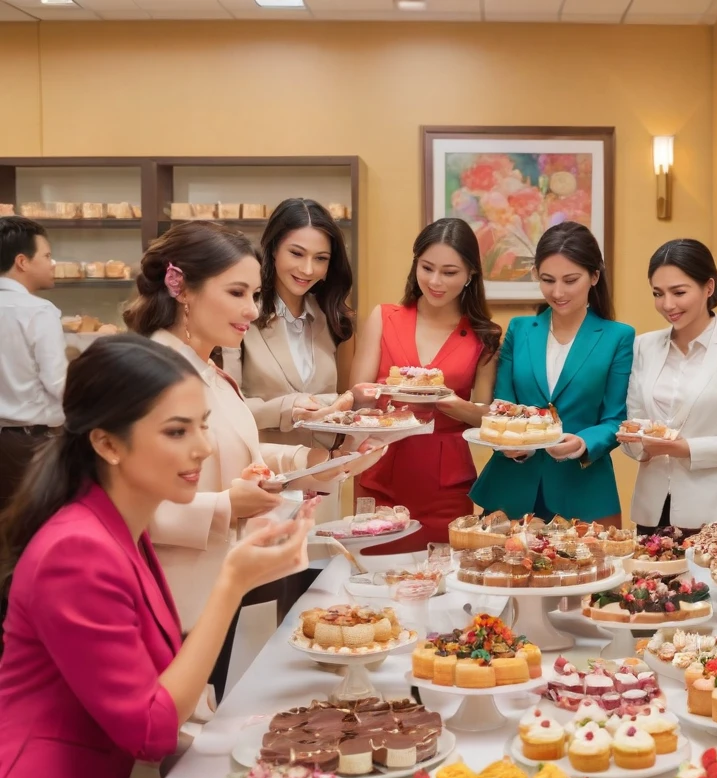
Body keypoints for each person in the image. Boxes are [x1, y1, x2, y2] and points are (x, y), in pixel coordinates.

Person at [0, 335, 315, 778]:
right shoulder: (77, 549)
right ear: (108, 444)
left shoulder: (118, 528)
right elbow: (151, 729)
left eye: (201, 424)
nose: (201, 447)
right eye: (177, 431)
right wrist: (231, 583)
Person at [123, 221, 381, 698]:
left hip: (218, 588)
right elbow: (131, 508)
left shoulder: (210, 371)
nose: (252, 310)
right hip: (172, 596)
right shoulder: (151, 373)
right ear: (183, 289)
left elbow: (246, 451)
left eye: (256, 294)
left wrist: (322, 460)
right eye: (237, 292)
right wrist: (226, 506)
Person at [349, 218, 502, 550]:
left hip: (445, 484)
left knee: (441, 580)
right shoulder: (384, 316)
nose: (435, 282)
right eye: (427, 267)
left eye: (449, 273)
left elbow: (486, 415)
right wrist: (379, 400)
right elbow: (357, 398)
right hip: (379, 468)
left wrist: (452, 403)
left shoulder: (485, 336)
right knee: (371, 579)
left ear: (471, 274)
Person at [471, 221, 634, 524]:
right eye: (547, 280)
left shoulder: (618, 337)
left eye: (570, 280)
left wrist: (584, 443)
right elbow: (503, 406)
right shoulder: (519, 330)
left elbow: (617, 418)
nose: (557, 292)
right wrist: (515, 446)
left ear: (594, 276)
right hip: (510, 491)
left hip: (584, 491)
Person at [620, 238, 717, 535]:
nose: (667, 305)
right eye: (658, 294)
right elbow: (633, 425)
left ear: (708, 288)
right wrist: (638, 447)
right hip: (652, 511)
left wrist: (682, 448)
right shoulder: (643, 346)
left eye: (679, 292)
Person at [220, 198, 356, 461]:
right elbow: (228, 407)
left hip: (324, 473)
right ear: (273, 250)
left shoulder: (335, 319)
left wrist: (353, 398)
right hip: (262, 473)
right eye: (296, 253)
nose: (307, 269)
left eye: (320, 258)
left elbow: (338, 402)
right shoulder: (243, 315)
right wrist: (289, 408)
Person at [0, 216, 67, 512]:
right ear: (22, 262)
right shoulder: (38, 311)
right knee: (30, 535)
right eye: (47, 256)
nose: (53, 264)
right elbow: (59, 384)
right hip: (28, 444)